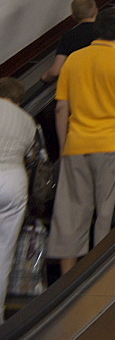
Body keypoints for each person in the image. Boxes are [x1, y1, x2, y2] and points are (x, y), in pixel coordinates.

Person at [49, 8, 115, 275]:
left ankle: (68, 283)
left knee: (70, 216)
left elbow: (60, 109)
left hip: (76, 146)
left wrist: (65, 145)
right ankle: (101, 282)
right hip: (113, 146)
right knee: (106, 216)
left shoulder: (74, 61)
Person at [0, 77, 35, 317]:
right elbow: (31, 153)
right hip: (14, 180)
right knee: (4, 251)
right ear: (18, 98)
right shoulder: (27, 120)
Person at [41, 0, 98, 83]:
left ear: (73, 16)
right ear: (96, 10)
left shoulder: (68, 36)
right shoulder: (107, 30)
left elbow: (55, 71)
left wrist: (45, 77)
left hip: (82, 83)